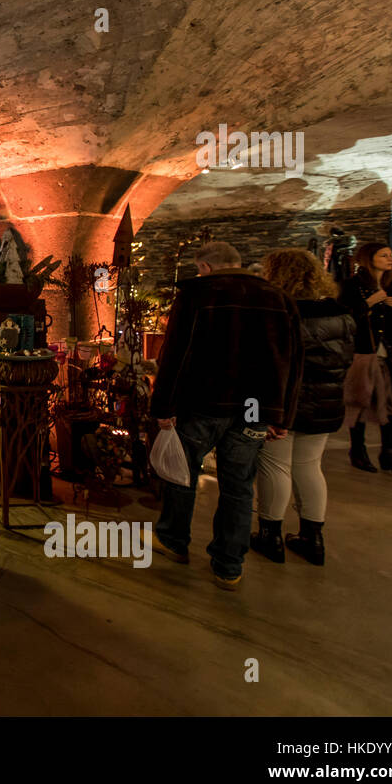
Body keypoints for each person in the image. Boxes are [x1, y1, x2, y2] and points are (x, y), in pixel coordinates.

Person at [150, 241, 303, 590]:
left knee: (182, 473)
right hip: (254, 408)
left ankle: (173, 540)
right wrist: (283, 415)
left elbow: (174, 353)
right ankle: (228, 564)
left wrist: (162, 407)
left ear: (204, 266)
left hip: (204, 401)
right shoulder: (278, 298)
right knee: (239, 486)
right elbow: (292, 362)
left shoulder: (198, 294)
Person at [252, 249, 355, 566]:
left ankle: (270, 536)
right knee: (310, 467)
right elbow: (347, 358)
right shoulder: (341, 314)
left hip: (286, 401)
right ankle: (313, 538)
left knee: (275, 467)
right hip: (326, 399)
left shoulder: (279, 312)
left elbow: (270, 364)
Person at [341, 243, 392, 475]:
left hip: (389, 353)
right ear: (369, 259)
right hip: (363, 352)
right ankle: (358, 450)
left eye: (390, 255)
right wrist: (368, 304)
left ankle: (389, 452)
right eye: (384, 255)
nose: (390, 259)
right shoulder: (352, 285)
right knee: (360, 402)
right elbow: (344, 317)